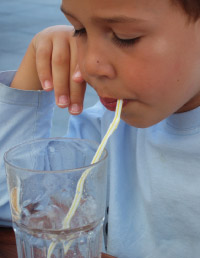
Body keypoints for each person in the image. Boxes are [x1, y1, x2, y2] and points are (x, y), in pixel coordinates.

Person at [1, 0, 200, 257]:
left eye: (125, 37)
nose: (89, 64)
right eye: (79, 30)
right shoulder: (107, 127)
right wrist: (35, 66)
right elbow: (19, 210)